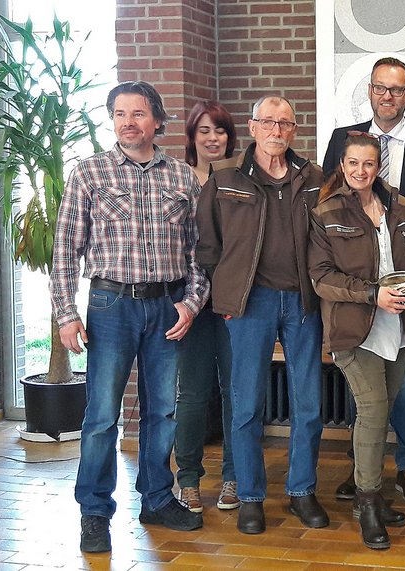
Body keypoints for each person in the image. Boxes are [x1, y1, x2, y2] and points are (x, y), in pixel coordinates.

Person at [50, 81, 210, 553]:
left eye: (138, 114)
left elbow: (200, 253)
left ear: (157, 120)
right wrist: (65, 313)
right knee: (102, 415)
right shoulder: (89, 173)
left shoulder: (182, 178)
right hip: (110, 306)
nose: (128, 123)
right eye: (120, 114)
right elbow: (65, 249)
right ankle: (94, 511)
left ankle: (157, 499)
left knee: (162, 411)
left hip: (167, 306)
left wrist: (192, 302)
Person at [195, 95, 328, 534]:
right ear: (252, 127)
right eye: (268, 122)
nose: (276, 131)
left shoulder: (314, 178)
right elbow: (208, 247)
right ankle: (251, 496)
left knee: (308, 402)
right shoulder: (225, 178)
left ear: (294, 130)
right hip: (251, 304)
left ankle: (302, 490)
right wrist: (228, 292)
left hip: (303, 303)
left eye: (285, 124)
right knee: (246, 403)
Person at [323, 57, 405, 502]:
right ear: (370, 91)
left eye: (396, 89)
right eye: (380, 87)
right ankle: (363, 471)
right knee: (366, 394)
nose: (387, 96)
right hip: (356, 295)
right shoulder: (344, 139)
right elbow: (328, 204)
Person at [309, 132, 405, 549]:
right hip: (354, 328)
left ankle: (374, 496)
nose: (361, 171)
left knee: (383, 410)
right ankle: (366, 503)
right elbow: (321, 277)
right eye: (353, 163)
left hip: (401, 327)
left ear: (378, 165)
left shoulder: (402, 206)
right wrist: (372, 294)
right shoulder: (326, 211)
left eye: (368, 163)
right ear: (342, 166)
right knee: (374, 410)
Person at [174, 100, 239, 513]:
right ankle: (189, 479)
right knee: (193, 394)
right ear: (192, 136)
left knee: (237, 392)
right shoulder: (177, 179)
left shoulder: (241, 180)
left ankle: (234, 476)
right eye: (204, 130)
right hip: (190, 304)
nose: (213, 138)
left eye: (220, 130)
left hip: (235, 301)